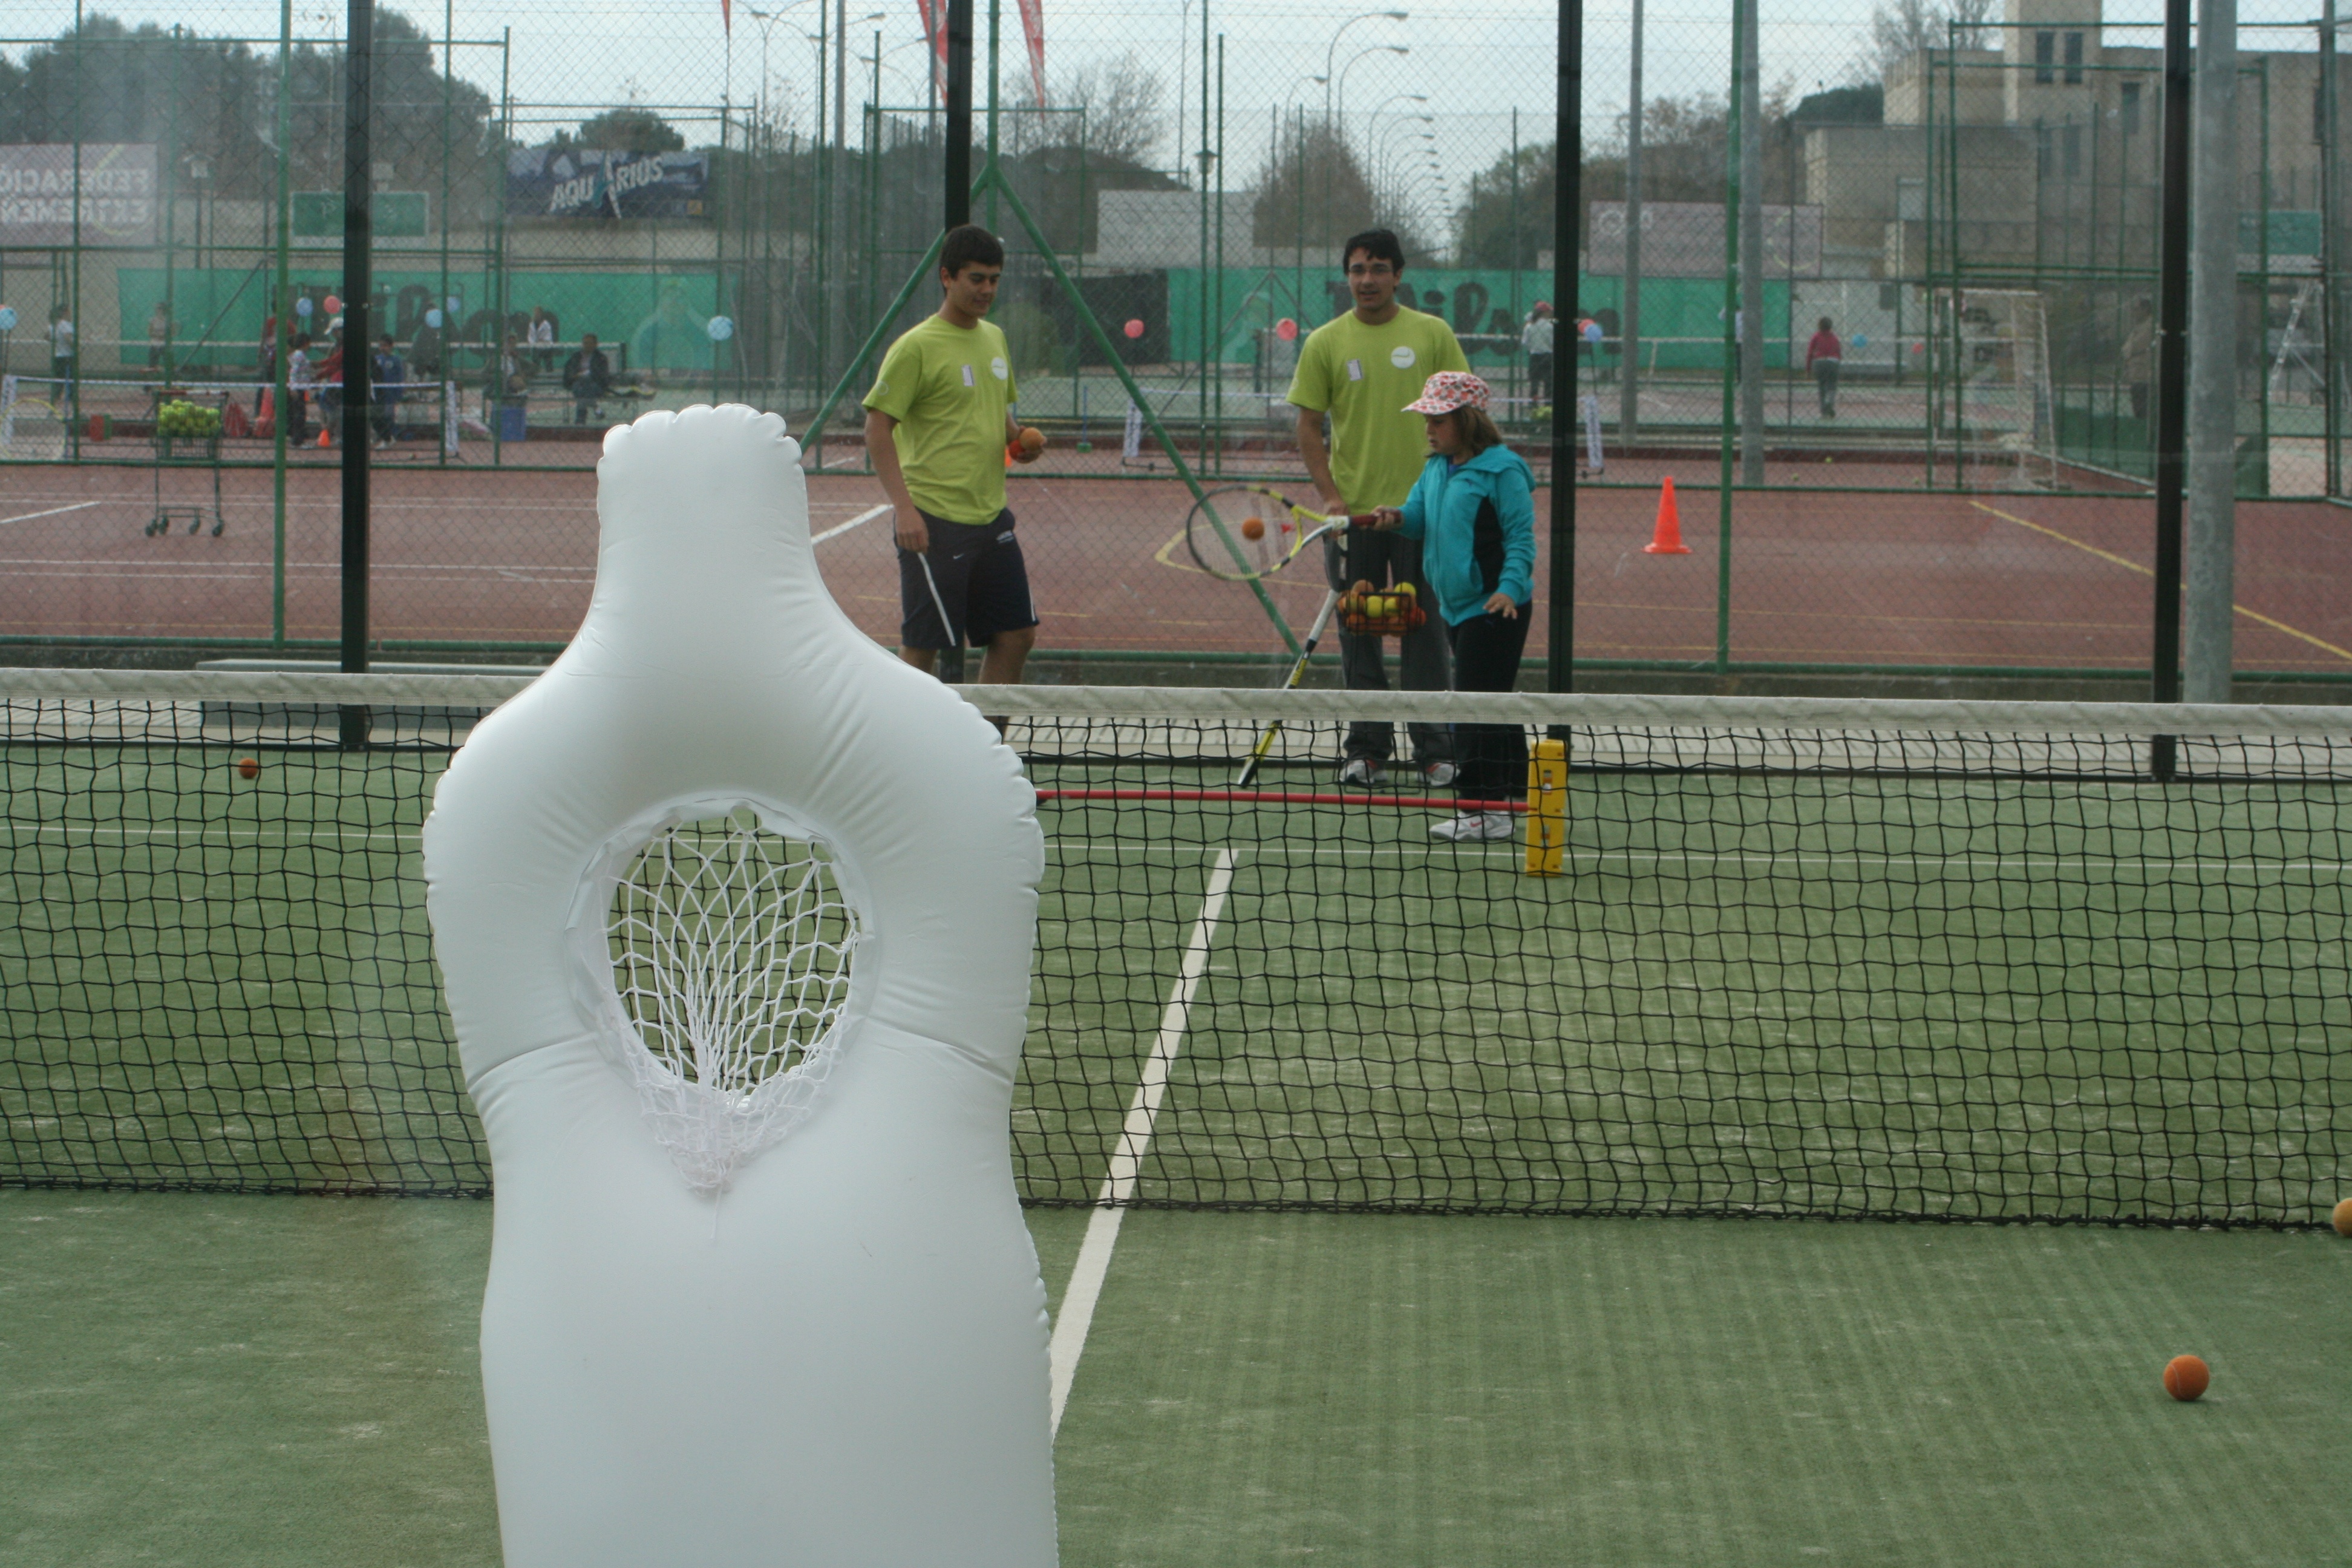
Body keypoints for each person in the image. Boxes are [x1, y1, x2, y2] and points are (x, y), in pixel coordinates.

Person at [1287, 227, 1467, 786]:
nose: (1368, 280)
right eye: (1358, 269)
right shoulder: (1325, 343)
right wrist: (1331, 499)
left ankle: (1435, 751)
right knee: (1359, 631)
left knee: (1424, 631)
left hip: (1422, 519)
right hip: (1356, 519)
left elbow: (1462, 417)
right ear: (1347, 277)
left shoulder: (1433, 334)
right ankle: (1366, 750)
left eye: (1379, 269)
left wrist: (1444, 494)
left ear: (1398, 275)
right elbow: (1309, 426)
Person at [861, 224, 1043, 686]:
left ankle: (984, 735)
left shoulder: (994, 338)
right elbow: (877, 428)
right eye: (976, 279)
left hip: (992, 518)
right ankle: (903, 733)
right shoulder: (916, 347)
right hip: (933, 522)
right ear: (947, 277)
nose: (987, 290)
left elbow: (996, 412)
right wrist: (905, 510)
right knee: (924, 647)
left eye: (995, 280)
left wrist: (1018, 441)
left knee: (1017, 635)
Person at [1370, 371, 1537, 843]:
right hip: (1457, 606)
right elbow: (1418, 516)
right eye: (1427, 419)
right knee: (1491, 701)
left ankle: (1484, 809)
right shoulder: (1436, 468)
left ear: (1468, 420)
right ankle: (1514, 796)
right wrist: (1396, 518)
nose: (1428, 429)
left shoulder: (1503, 472)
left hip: (1497, 608)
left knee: (1472, 707)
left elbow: (1520, 538)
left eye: (1438, 420)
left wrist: (1509, 588)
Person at [564, 332, 613, 425]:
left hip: (595, 385)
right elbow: (569, 372)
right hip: (577, 384)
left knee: (583, 388)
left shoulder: (600, 358)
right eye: (585, 343)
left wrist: (589, 375)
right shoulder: (576, 357)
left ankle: (580, 420)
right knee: (582, 385)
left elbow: (602, 376)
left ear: (595, 344)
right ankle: (596, 408)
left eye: (590, 343)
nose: (587, 345)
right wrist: (577, 376)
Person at [2121, 299, 2155, 423]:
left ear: (2145, 310)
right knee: (2138, 405)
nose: (2133, 313)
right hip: (2137, 373)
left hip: (2144, 374)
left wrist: (2127, 350)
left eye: (2136, 309)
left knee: (2142, 409)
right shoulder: (2140, 326)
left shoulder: (2150, 326)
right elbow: (2126, 348)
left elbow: (2134, 346)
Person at [369, 333, 404, 448]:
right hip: (378, 393)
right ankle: (379, 437)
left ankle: (390, 437)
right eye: (381, 346)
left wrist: (399, 393)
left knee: (389, 415)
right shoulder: (377, 359)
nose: (382, 348)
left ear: (391, 346)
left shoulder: (396, 360)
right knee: (378, 415)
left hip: (390, 393)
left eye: (385, 346)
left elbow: (400, 378)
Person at [1521, 301, 1555, 413]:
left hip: (1534, 356)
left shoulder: (1530, 326)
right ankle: (1548, 406)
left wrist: (1533, 347)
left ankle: (1533, 406)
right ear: (1544, 313)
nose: (1550, 313)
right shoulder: (1550, 326)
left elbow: (1525, 342)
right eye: (1549, 311)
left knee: (1534, 382)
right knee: (1548, 383)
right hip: (1548, 356)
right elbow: (1552, 342)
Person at [1806, 315, 1843, 419]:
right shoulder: (1834, 337)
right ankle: (1830, 401)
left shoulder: (1816, 337)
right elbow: (1839, 352)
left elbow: (1810, 353)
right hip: (1833, 362)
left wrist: (1808, 369)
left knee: (1821, 386)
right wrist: (1837, 364)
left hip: (1819, 362)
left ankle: (1824, 412)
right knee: (1832, 384)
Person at [285, 332, 315, 446]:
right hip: (298, 388)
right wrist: (293, 387)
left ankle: (297, 439)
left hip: (300, 387)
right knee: (300, 414)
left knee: (299, 413)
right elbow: (294, 371)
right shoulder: (299, 355)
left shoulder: (298, 355)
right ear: (305, 343)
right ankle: (298, 441)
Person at [529, 305, 556, 371]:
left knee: (548, 358)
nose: (536, 315)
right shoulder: (532, 324)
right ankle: (535, 370)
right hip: (536, 347)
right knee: (535, 359)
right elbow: (530, 336)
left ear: (541, 314)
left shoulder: (546, 324)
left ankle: (549, 371)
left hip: (546, 347)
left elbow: (549, 336)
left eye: (538, 313)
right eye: (535, 313)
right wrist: (534, 343)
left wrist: (543, 340)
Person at [147, 302, 173, 373]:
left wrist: (165, 336)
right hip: (154, 344)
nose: (159, 310)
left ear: (164, 310)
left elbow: (172, 333)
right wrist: (158, 335)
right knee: (152, 365)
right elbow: (149, 333)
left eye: (161, 308)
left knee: (168, 363)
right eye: (158, 308)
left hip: (165, 345)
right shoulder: (153, 320)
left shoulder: (168, 320)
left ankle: (169, 376)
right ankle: (152, 377)